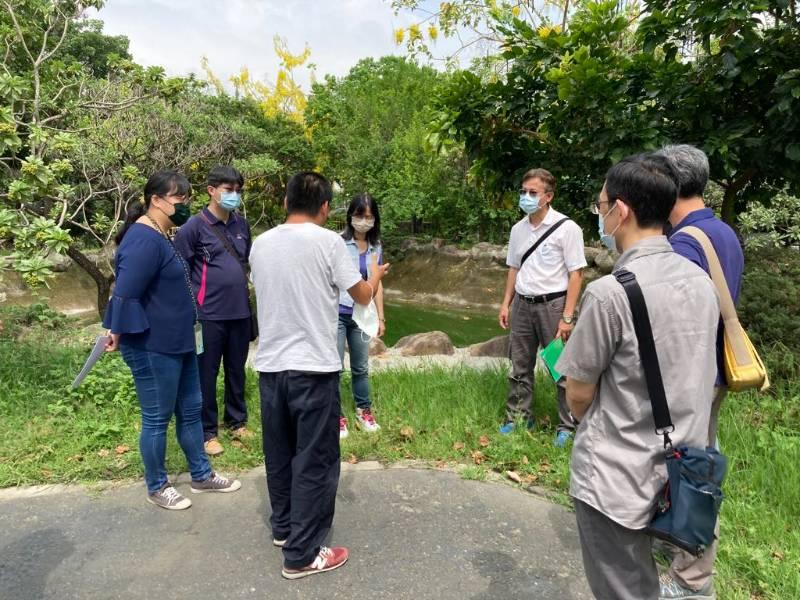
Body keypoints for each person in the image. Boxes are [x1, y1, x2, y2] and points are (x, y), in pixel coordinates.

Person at [555, 153, 719, 599]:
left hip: (617, 475)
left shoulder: (609, 294)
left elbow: (578, 393)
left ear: (620, 210)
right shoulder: (700, 281)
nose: (600, 215)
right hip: (682, 468)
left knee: (625, 588)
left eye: (601, 205)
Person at [250, 172, 389, 579]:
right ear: (326, 208)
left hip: (271, 367)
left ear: (286, 202)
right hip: (314, 367)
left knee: (280, 452)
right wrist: (376, 276)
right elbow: (360, 295)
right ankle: (303, 553)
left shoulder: (261, 243)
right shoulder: (329, 242)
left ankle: (284, 528)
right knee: (314, 459)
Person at [103, 170, 241, 510]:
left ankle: (201, 474)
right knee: (157, 417)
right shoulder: (142, 239)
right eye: (179, 199)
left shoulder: (163, 235)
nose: (184, 205)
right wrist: (115, 332)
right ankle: (157, 485)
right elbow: (125, 293)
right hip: (153, 346)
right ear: (157, 200)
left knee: (191, 410)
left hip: (181, 341)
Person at [654, 144, 744, 600]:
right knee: (698, 463)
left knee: (692, 474)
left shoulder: (684, 245)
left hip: (692, 379)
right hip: (712, 375)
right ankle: (683, 556)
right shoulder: (721, 232)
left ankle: (690, 580)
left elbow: (676, 327)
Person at [498, 168, 586, 446]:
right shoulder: (518, 230)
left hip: (553, 305)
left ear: (548, 196)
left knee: (560, 367)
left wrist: (568, 316)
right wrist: (505, 303)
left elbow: (576, 274)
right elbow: (514, 268)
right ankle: (518, 417)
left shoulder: (567, 228)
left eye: (532, 192)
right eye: (523, 191)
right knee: (519, 365)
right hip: (523, 305)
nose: (526, 196)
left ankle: (567, 425)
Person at [174, 166, 254, 457]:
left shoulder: (241, 226)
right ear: (211, 190)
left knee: (236, 371)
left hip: (240, 313)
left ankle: (237, 421)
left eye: (237, 190)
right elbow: (181, 270)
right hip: (206, 315)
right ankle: (208, 432)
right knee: (205, 374)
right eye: (228, 189)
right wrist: (189, 309)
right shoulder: (193, 227)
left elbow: (246, 264)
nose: (233, 195)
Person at [337, 193, 385, 439]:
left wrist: (381, 317)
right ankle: (336, 416)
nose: (364, 221)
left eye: (368, 216)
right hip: (338, 312)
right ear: (350, 216)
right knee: (334, 366)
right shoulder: (338, 243)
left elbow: (377, 283)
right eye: (359, 215)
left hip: (362, 314)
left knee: (361, 367)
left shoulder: (376, 247)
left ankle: (364, 410)